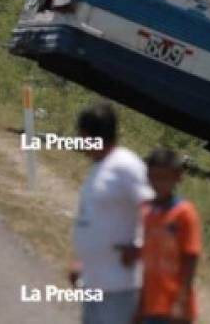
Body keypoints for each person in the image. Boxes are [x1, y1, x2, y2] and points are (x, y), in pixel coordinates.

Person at [70, 102, 153, 324]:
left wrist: (140, 246)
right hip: (94, 280)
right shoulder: (100, 167)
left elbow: (154, 211)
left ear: (89, 135)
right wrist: (83, 262)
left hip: (118, 285)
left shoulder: (126, 166)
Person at [136, 147, 201, 324]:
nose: (159, 183)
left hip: (173, 306)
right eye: (154, 178)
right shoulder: (146, 211)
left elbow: (190, 257)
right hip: (149, 301)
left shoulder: (185, 213)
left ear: (178, 176)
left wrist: (182, 300)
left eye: (164, 178)